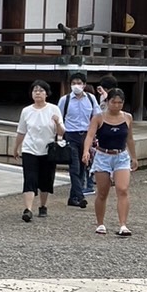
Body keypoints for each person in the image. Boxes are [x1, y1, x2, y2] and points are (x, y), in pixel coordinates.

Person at [83, 87, 137, 236]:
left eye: (120, 102)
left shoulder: (127, 117)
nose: (117, 105)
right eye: (114, 102)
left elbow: (129, 138)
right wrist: (86, 151)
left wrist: (134, 157)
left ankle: (123, 224)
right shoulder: (98, 118)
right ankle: (100, 223)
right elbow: (90, 135)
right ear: (107, 102)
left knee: (122, 189)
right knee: (102, 192)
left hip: (121, 155)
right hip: (103, 155)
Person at [14, 80, 65, 222]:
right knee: (29, 179)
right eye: (35, 90)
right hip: (29, 149)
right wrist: (16, 147)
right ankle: (28, 209)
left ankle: (43, 205)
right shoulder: (26, 111)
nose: (38, 93)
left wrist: (57, 122)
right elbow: (21, 131)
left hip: (48, 150)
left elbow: (61, 132)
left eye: (41, 90)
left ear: (46, 94)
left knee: (46, 179)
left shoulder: (53, 109)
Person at [58, 73, 100, 208]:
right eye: (74, 83)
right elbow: (59, 118)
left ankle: (73, 197)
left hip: (86, 135)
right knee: (74, 167)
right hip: (71, 135)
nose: (76, 85)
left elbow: (97, 116)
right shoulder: (65, 100)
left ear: (84, 85)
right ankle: (80, 196)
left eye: (79, 83)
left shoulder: (91, 99)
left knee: (83, 166)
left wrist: (95, 134)